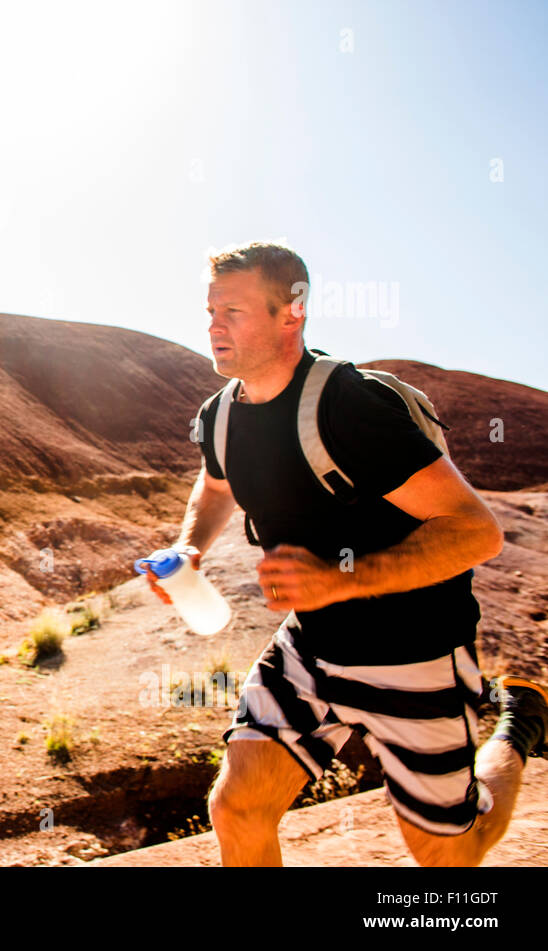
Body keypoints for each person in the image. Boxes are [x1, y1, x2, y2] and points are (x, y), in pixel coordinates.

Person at [145, 240, 547, 866]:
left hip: (414, 651)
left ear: (291, 313)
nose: (213, 326)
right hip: (310, 645)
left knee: (452, 853)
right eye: (210, 309)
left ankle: (519, 725)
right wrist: (188, 548)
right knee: (237, 807)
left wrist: (339, 579)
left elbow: (476, 531)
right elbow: (217, 483)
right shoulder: (220, 415)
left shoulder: (350, 406)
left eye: (234, 311)